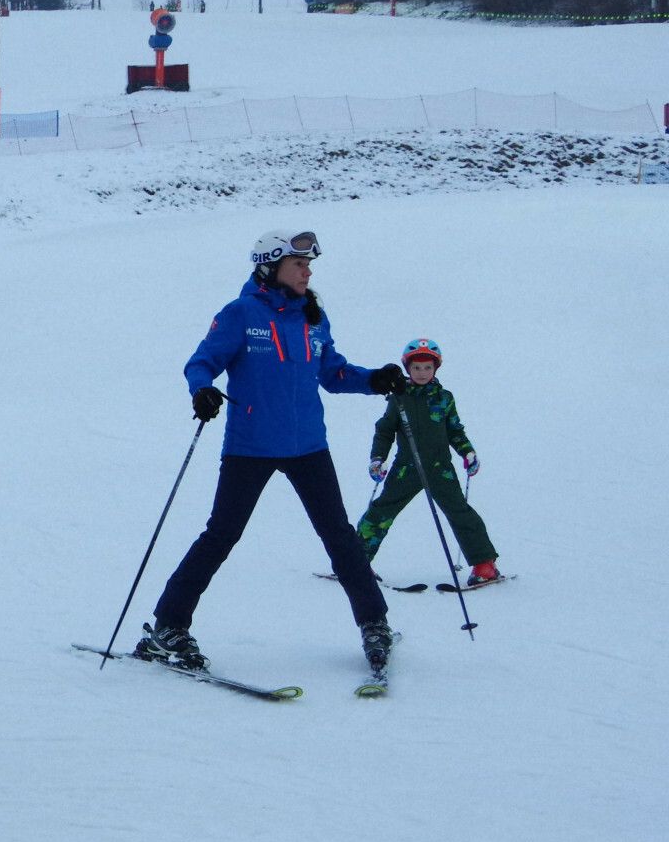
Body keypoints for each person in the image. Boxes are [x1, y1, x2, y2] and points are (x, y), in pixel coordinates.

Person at [142, 231, 409, 677]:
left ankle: (374, 623)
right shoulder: (241, 313)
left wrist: (373, 380)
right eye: (298, 265)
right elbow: (201, 361)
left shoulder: (312, 317)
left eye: (309, 265)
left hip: (308, 446)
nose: (307, 272)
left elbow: (333, 373)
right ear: (271, 267)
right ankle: (168, 627)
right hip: (250, 446)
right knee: (221, 535)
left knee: (340, 537)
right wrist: (202, 389)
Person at [356, 338, 501, 584]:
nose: (422, 373)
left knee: (460, 512)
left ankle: (484, 565)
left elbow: (454, 430)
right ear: (407, 368)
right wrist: (377, 459)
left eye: (427, 367)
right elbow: (385, 431)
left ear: (436, 368)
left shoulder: (444, 398)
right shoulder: (399, 398)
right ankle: (355, 563)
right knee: (381, 512)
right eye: (416, 368)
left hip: (439, 469)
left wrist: (467, 452)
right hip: (406, 469)